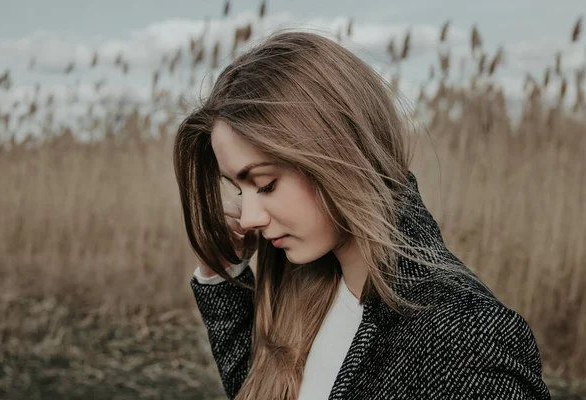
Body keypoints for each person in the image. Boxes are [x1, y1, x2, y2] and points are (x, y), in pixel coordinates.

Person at [173, 30, 551, 400]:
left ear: (340, 154)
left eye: (266, 183)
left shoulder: (467, 338)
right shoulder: (311, 286)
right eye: (241, 190)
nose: (250, 216)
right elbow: (264, 387)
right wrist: (221, 274)